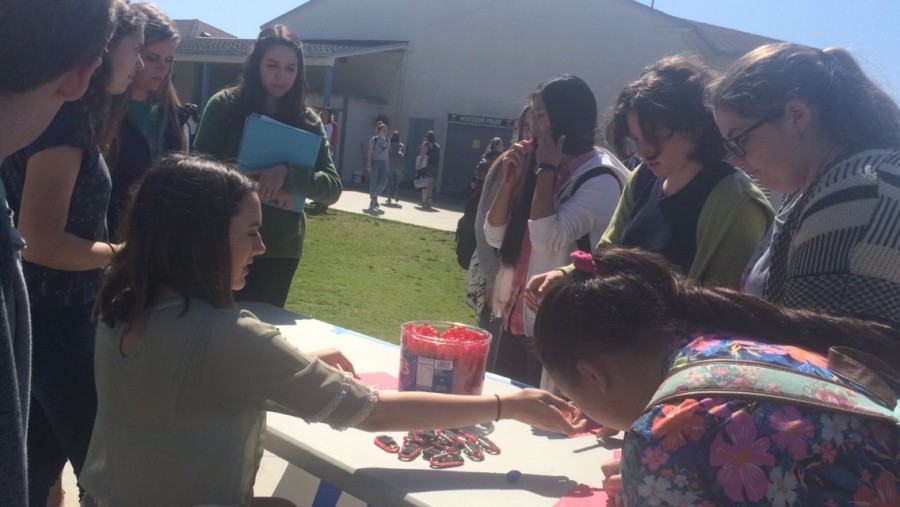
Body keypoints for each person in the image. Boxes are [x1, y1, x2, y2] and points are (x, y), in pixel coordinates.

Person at [79, 153, 585, 506]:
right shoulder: (228, 337)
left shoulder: (119, 306)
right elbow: (371, 411)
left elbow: (184, 394)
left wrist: (285, 370)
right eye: (251, 233)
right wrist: (508, 405)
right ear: (199, 242)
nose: (260, 249)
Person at [533, 247, 900, 506]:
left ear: (591, 373)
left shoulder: (665, 432)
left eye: (574, 396)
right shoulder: (724, 341)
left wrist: (653, 472)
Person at [0, 2, 143, 504]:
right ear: (95, 60)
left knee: (33, 464)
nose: (140, 65)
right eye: (134, 52)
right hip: (56, 320)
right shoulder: (62, 129)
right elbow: (40, 239)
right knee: (103, 467)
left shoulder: (60, 120)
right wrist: (122, 254)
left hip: (44, 319)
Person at [525, 56, 774, 310]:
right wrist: (568, 274)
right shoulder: (642, 177)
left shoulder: (738, 203)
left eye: (654, 137)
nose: (644, 151)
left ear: (695, 124)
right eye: (636, 138)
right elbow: (608, 255)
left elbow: (721, 311)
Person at [710, 42, 900, 329]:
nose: (735, 160)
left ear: (796, 117)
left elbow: (818, 358)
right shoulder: (811, 188)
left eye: (739, 140)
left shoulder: (859, 192)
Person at [485, 75, 629, 385]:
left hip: (558, 331)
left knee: (543, 420)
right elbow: (494, 236)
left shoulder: (600, 178)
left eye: (539, 116)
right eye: (530, 116)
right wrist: (512, 181)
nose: (532, 127)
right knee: (504, 416)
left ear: (566, 116)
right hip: (515, 320)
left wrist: (546, 170)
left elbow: (546, 239)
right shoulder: (544, 167)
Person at [193, 25, 342, 308]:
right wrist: (254, 185)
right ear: (256, 64)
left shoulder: (309, 121)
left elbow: (332, 188)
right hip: (226, 241)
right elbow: (198, 171)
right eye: (272, 65)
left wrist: (289, 174)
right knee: (218, 327)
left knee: (264, 331)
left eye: (290, 68)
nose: (280, 75)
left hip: (281, 248)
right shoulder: (225, 105)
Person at [106, 2, 188, 240]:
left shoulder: (171, 114)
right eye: (152, 57)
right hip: (110, 237)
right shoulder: (104, 112)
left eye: (168, 59)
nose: (161, 68)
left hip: (156, 237)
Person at [466, 106, 533, 370]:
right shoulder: (507, 163)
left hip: (524, 287)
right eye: (526, 126)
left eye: (537, 124)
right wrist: (493, 278)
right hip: (496, 276)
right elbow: (483, 226)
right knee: (492, 358)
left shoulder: (547, 167)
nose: (531, 133)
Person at [366, 120, 390, 210]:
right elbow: (370, 151)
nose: (385, 132)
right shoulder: (374, 139)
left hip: (383, 162)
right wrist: (369, 162)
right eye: (383, 130)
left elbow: (387, 153)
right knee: (373, 182)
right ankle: (372, 200)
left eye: (386, 130)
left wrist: (388, 163)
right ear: (379, 131)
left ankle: (375, 195)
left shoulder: (387, 140)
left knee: (384, 182)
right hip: (375, 161)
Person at [416, 130, 440, 208]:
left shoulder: (426, 144)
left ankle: (424, 201)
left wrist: (419, 166)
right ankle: (429, 199)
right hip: (434, 168)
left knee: (424, 185)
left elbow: (422, 156)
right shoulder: (437, 146)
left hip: (426, 168)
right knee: (430, 185)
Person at [386, 130, 405, 204]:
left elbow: (387, 155)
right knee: (396, 182)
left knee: (389, 182)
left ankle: (389, 197)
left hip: (390, 165)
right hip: (398, 166)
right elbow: (402, 156)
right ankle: (396, 193)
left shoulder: (389, 145)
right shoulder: (401, 146)